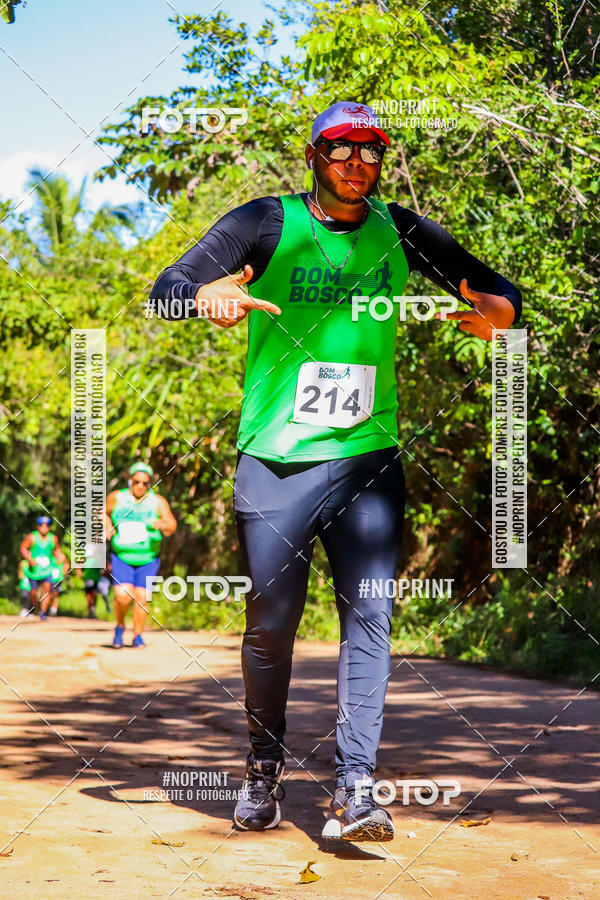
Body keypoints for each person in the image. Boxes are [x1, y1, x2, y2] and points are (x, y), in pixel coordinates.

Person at [150, 100, 522, 840]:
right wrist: (204, 297)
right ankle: (263, 766)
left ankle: (356, 787)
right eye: (342, 149)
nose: (358, 164)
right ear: (314, 155)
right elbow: (165, 291)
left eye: (371, 151)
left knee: (371, 616)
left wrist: (498, 316)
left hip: (367, 460)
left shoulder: (400, 229)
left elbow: (499, 291)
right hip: (276, 461)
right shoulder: (265, 221)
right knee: (272, 626)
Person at [105, 462, 177, 648]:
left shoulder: (157, 502)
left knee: (141, 596)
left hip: (148, 559)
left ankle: (137, 636)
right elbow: (103, 513)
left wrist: (161, 524)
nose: (140, 486)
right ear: (130, 480)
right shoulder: (117, 497)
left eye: (145, 483)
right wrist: (106, 525)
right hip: (122, 557)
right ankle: (120, 626)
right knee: (122, 595)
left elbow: (171, 525)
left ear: (149, 484)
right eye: (136, 481)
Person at [20, 516, 67, 621]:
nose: (44, 527)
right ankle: (33, 607)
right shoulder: (31, 537)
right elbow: (23, 548)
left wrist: (60, 557)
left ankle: (43, 612)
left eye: (47, 525)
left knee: (47, 590)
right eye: (42, 525)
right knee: (33, 592)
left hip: (47, 570)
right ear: (38, 526)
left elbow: (56, 550)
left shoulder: (53, 538)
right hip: (34, 571)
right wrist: (29, 559)